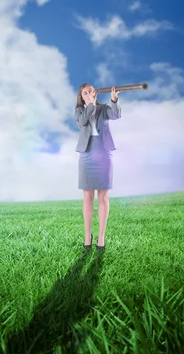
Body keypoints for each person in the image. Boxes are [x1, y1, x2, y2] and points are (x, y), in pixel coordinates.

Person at [74, 83, 121, 250]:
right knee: (87, 197)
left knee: (103, 197)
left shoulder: (103, 108)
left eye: (90, 91)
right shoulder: (80, 111)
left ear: (95, 92)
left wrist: (114, 99)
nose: (88, 94)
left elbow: (115, 115)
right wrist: (91, 104)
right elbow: (83, 122)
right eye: (85, 93)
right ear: (82, 97)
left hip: (103, 154)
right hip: (87, 154)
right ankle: (88, 235)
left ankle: (101, 237)